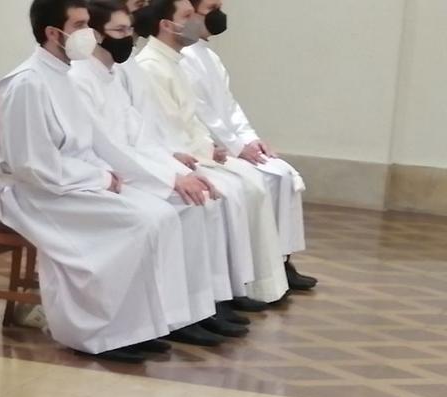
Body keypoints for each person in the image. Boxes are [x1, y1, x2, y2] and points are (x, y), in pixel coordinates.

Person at [0, 0, 211, 364]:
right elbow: (32, 165)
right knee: (137, 221)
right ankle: (94, 333)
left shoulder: (63, 74)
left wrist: (110, 176)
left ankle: (132, 327)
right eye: (79, 25)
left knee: (159, 213)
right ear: (51, 32)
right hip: (36, 194)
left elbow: (92, 143)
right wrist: (98, 177)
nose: (88, 35)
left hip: (73, 183)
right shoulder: (28, 83)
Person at [68, 0, 255, 335]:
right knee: (181, 207)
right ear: (96, 34)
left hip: (133, 168)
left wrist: (175, 168)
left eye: (129, 29)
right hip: (108, 175)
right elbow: (110, 147)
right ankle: (175, 315)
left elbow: (141, 134)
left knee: (198, 198)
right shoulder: (82, 77)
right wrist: (170, 176)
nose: (130, 36)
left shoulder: (109, 75)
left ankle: (200, 307)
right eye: (121, 30)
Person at [133, 0, 291, 305]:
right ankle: (218, 294)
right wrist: (205, 150)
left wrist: (210, 147)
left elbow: (191, 119)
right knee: (229, 191)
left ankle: (244, 283)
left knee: (250, 183)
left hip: (193, 152)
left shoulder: (172, 61)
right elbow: (166, 128)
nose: (197, 21)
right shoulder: (152, 66)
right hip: (176, 158)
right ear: (166, 25)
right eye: (188, 15)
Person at [179, 0, 315, 290]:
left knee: (282, 172)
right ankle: (260, 269)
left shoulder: (210, 58)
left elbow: (229, 107)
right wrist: (235, 147)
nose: (219, 14)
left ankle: (281, 259)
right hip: (211, 147)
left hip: (232, 144)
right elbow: (202, 114)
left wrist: (251, 140)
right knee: (266, 178)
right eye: (211, 8)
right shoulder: (183, 58)